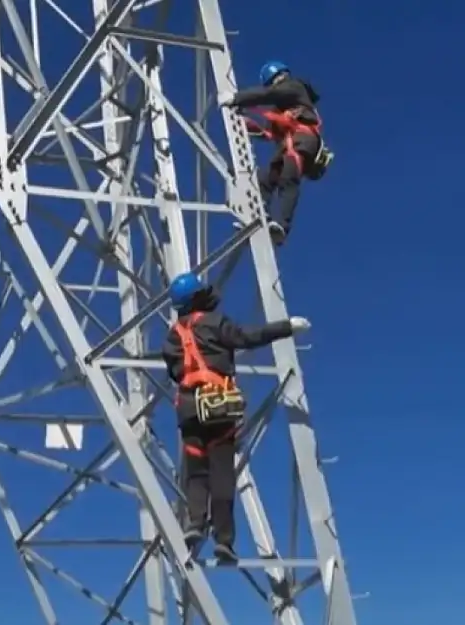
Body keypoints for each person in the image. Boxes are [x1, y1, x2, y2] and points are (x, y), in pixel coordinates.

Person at [160, 271, 311, 563]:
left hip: (189, 410)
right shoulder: (215, 323)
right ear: (198, 296)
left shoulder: (172, 336)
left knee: (196, 472)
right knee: (221, 473)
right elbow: (246, 337)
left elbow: (175, 371)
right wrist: (286, 328)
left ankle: (194, 523)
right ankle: (224, 541)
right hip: (218, 407)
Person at [219, 61, 333, 246]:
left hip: (303, 140)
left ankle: (282, 226)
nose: (277, 83)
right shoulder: (279, 109)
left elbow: (268, 94)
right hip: (289, 145)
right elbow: (268, 133)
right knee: (264, 180)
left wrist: (236, 97)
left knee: (288, 177)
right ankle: (259, 216)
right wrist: (244, 123)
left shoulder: (294, 88)